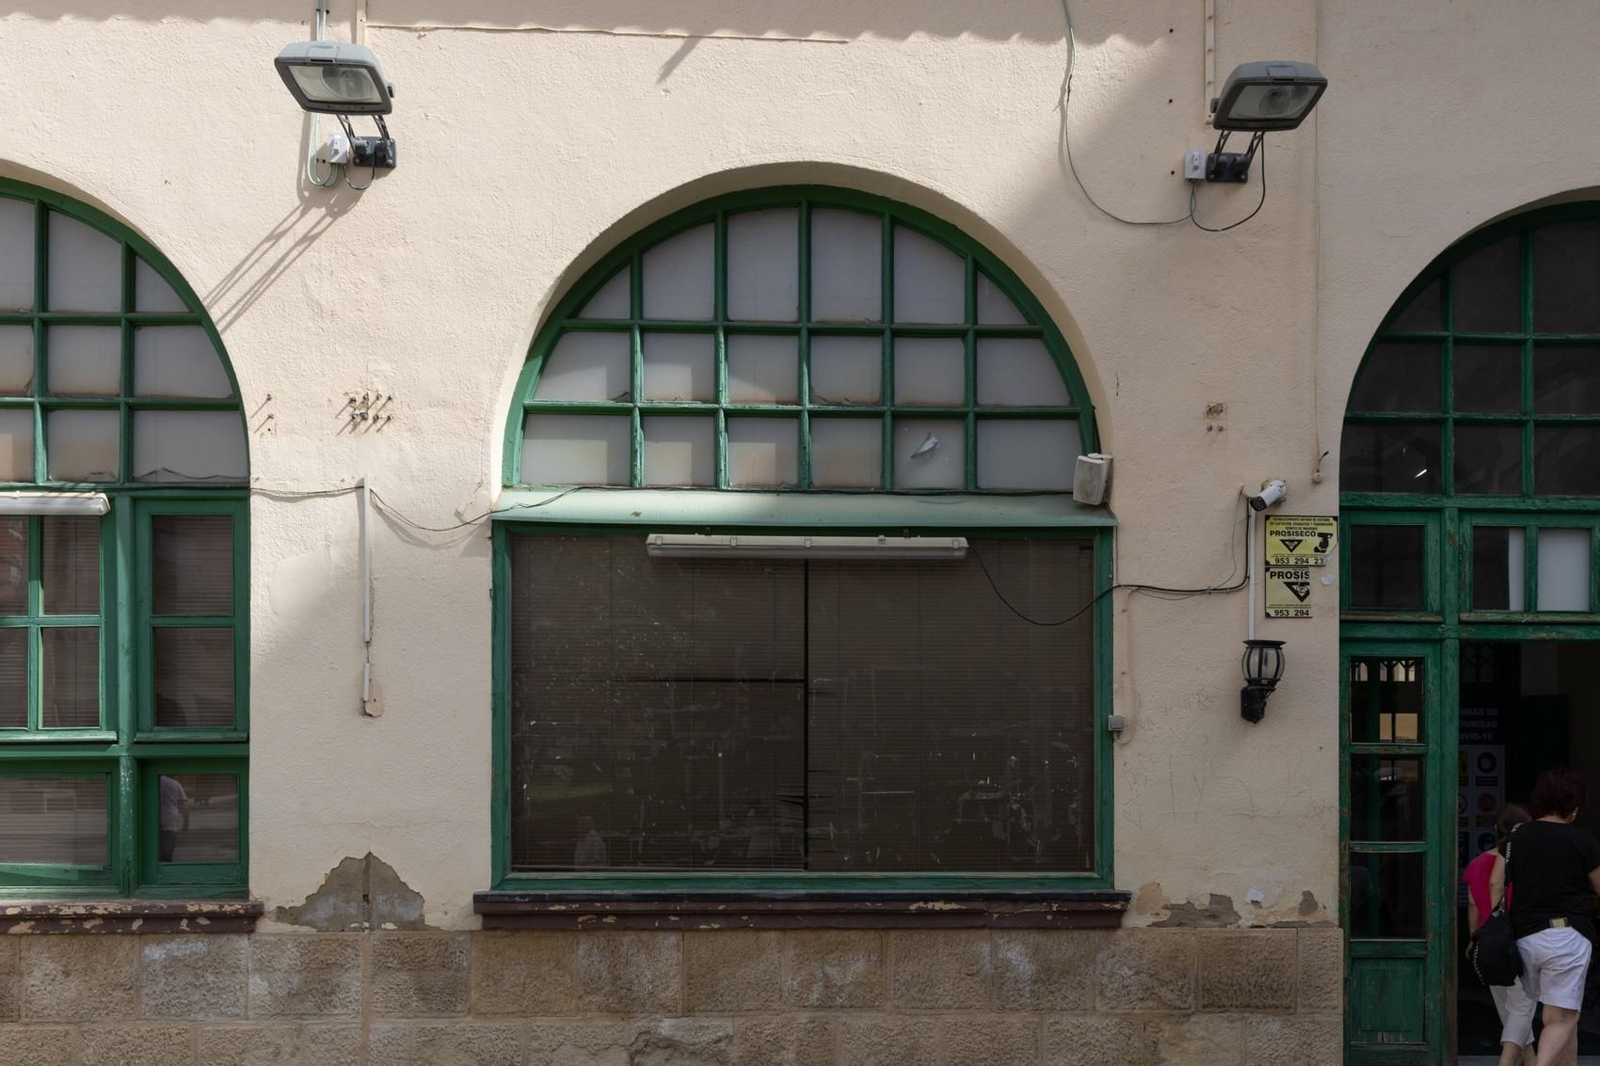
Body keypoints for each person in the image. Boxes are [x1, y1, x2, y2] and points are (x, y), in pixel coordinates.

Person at [1508, 769, 1600, 1066]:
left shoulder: (1517, 836)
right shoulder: (1581, 840)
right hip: (1566, 937)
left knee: (1565, 1014)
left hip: (1525, 938)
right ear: (1572, 806)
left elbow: (1499, 882)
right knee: (1559, 1018)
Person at [1465, 804, 1535, 1066]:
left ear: (1496, 828)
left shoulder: (1477, 863)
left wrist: (1474, 937)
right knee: (1521, 1008)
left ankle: (1530, 1059)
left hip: (1488, 942)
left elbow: (1473, 904)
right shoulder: (1523, 865)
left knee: (1509, 1009)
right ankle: (1516, 1060)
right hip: (1516, 941)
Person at [158, 775, 188, 863]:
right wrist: (186, 823)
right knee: (167, 856)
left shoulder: (152, 781)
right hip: (170, 822)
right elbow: (184, 805)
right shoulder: (175, 784)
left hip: (152, 822)